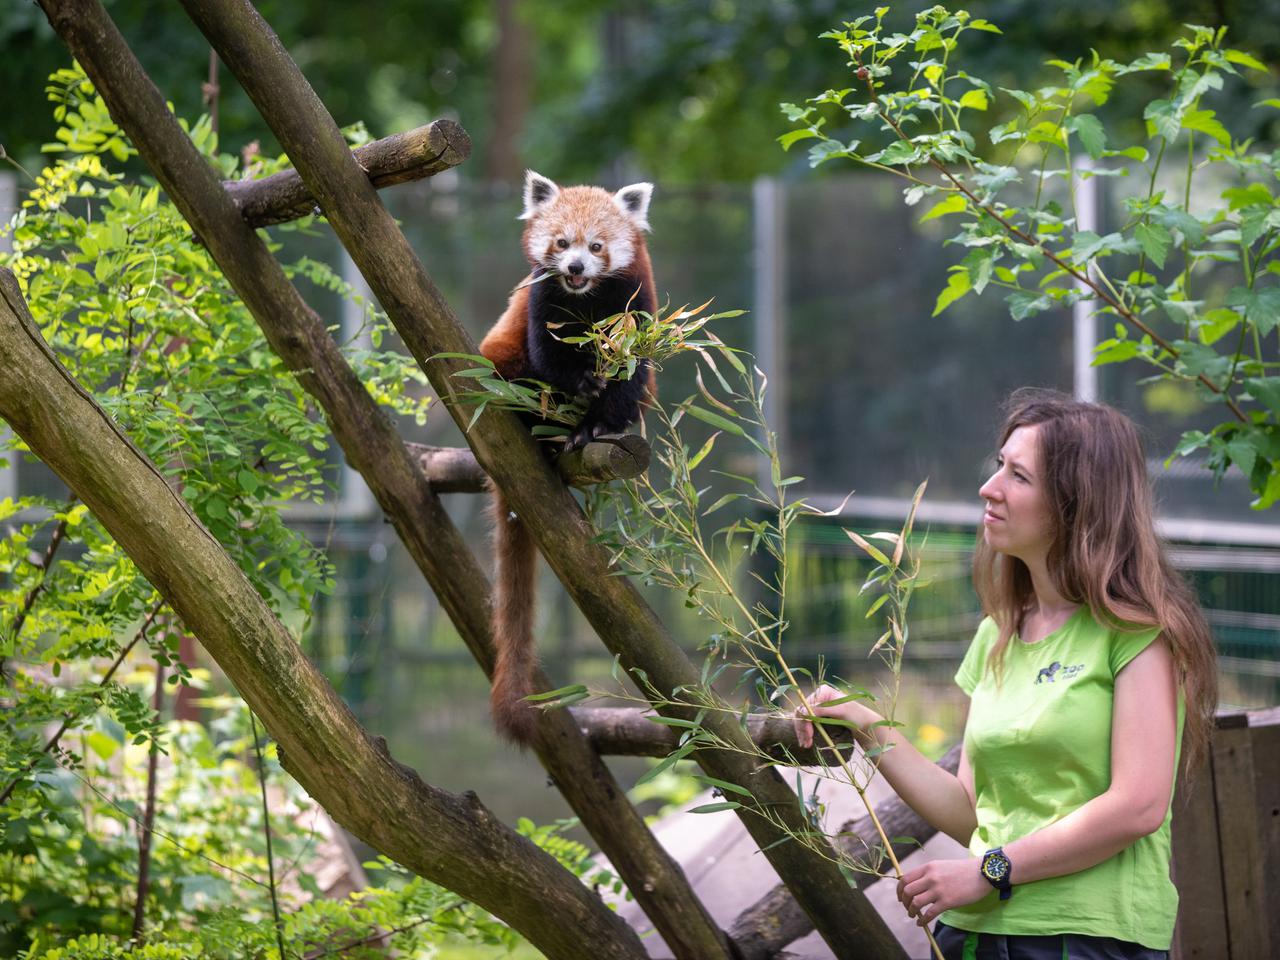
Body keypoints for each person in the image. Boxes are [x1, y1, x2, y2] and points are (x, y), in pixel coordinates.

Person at [794, 389, 1217, 960]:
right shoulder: (998, 634)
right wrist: (866, 725)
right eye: (1000, 467)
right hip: (978, 933)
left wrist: (991, 871)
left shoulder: (1138, 635)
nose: (988, 489)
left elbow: (1138, 806)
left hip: (1087, 937)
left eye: (1018, 476)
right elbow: (971, 809)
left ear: (1076, 503)